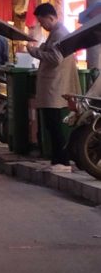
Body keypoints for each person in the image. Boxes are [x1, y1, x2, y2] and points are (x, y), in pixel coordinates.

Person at [33, 13, 80, 168]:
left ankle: (61, 158)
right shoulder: (57, 33)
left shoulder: (59, 33)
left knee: (53, 123)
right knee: (51, 123)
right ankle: (58, 158)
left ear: (51, 17)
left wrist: (34, 52)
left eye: (42, 21)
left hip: (54, 85)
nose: (42, 25)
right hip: (54, 84)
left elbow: (55, 59)